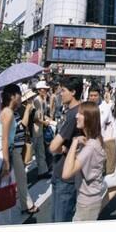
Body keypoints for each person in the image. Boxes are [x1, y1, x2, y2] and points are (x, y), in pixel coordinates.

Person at [0, 84, 39, 217]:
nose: (21, 97)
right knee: (0, 187)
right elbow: (4, 139)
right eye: (20, 94)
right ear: (13, 96)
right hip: (2, 153)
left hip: (5, 151)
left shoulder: (8, 112)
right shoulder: (8, 113)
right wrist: (6, 163)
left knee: (2, 186)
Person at [62, 102, 107, 221]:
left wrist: (74, 142)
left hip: (87, 203)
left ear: (88, 119)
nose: (76, 116)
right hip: (89, 199)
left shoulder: (90, 146)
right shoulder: (94, 139)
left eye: (80, 114)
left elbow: (66, 173)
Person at [49, 77, 83, 222]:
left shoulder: (74, 115)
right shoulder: (72, 111)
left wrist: (61, 148)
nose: (60, 94)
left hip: (66, 176)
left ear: (73, 92)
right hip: (61, 171)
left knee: (60, 220)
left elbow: (53, 146)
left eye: (63, 91)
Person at [32, 80, 52, 180]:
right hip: (35, 130)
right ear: (39, 90)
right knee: (33, 152)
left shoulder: (42, 99)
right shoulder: (37, 100)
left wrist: (47, 119)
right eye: (44, 89)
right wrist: (45, 122)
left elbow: (42, 115)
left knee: (41, 151)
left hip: (40, 129)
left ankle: (43, 172)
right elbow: (35, 118)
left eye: (46, 89)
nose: (46, 91)